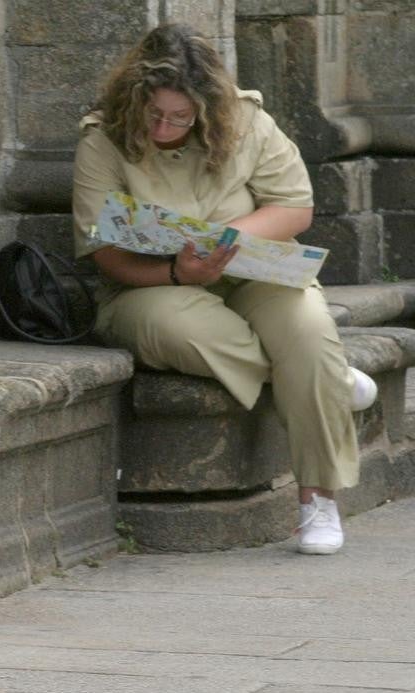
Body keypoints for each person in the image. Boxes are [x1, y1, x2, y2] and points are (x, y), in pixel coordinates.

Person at [71, 24, 377, 555]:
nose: (165, 126)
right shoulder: (103, 139)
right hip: (154, 285)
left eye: (180, 117)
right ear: (134, 100)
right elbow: (105, 253)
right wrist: (178, 272)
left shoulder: (248, 122)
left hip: (254, 271)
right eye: (155, 114)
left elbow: (294, 207)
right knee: (181, 329)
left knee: (305, 328)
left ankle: (316, 500)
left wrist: (229, 242)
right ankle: (323, 382)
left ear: (205, 110)